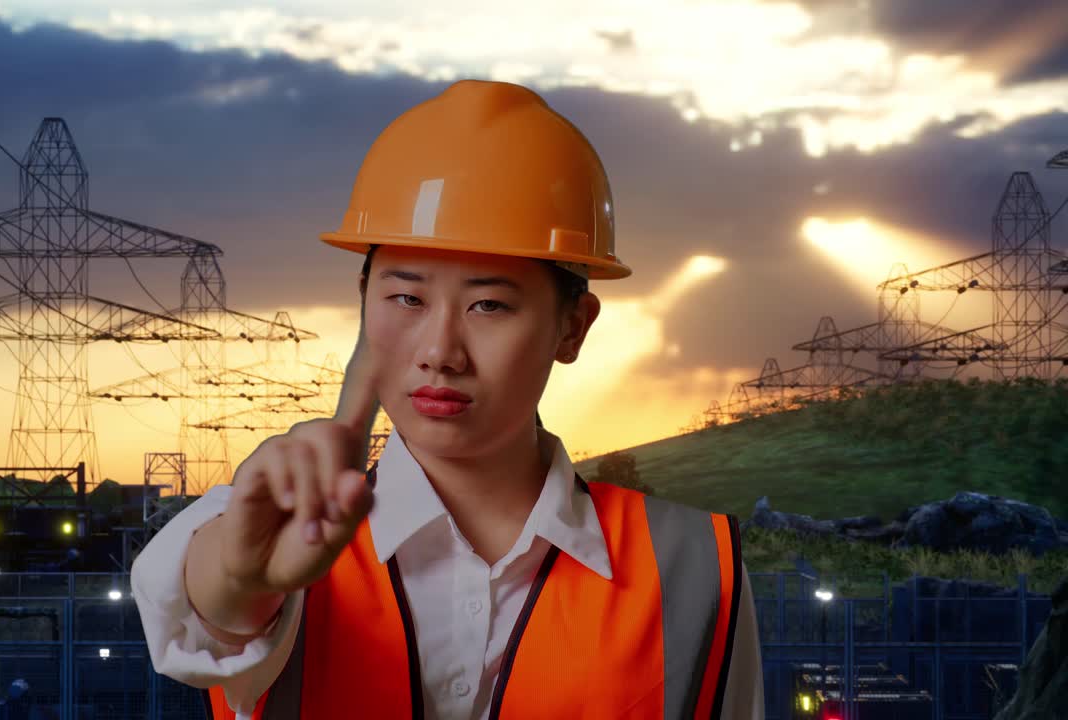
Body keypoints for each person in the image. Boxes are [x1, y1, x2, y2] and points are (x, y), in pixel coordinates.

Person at [132, 79, 765, 719]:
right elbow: (197, 614)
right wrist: (241, 577)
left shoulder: (695, 567)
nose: (440, 351)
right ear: (362, 301)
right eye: (407, 299)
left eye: (488, 304)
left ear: (572, 326)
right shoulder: (277, 532)